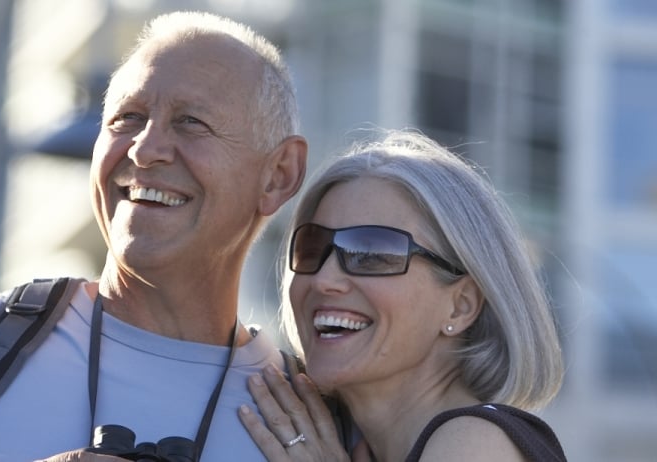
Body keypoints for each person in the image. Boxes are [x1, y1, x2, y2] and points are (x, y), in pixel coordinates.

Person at [0, 11, 308, 461]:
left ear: (278, 176)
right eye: (127, 118)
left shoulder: (316, 421)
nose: (144, 150)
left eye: (191, 122)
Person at [235, 130, 567, 462]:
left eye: (371, 253)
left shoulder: (475, 443)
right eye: (312, 249)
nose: (323, 279)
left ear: (460, 306)